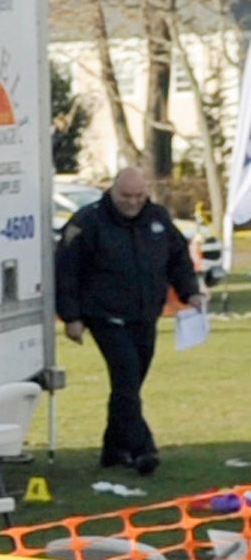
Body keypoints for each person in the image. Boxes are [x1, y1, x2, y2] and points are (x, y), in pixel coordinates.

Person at [56, 164, 200, 475]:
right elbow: (67, 271)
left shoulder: (158, 218)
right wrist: (71, 317)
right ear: (112, 190)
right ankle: (143, 448)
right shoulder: (88, 222)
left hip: (145, 314)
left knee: (131, 384)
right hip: (105, 314)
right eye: (126, 195)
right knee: (126, 376)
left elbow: (179, 259)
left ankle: (113, 449)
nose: (133, 202)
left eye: (138, 195)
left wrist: (191, 292)